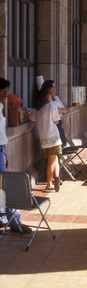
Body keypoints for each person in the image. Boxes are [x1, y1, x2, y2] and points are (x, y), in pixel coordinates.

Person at [0, 78, 32, 234]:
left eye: (6, 92)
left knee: (3, 186)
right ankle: (14, 221)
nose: (5, 95)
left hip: (1, 150)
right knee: (6, 186)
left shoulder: (0, 107)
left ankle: (5, 218)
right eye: (3, 92)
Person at [30, 88, 62, 191]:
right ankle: (49, 183)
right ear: (45, 96)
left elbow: (31, 118)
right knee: (51, 161)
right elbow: (56, 121)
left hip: (44, 139)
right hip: (54, 138)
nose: (51, 96)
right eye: (49, 95)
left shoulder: (37, 109)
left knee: (54, 159)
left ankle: (56, 176)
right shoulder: (51, 106)